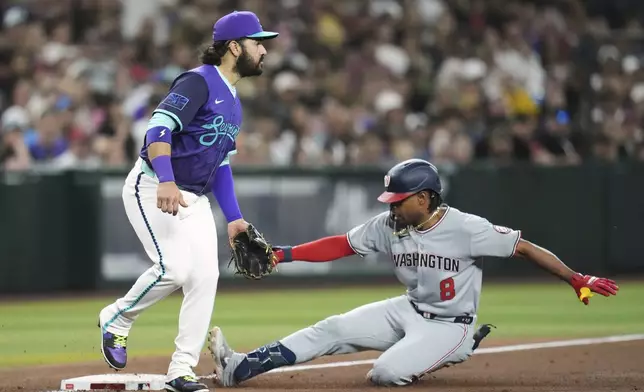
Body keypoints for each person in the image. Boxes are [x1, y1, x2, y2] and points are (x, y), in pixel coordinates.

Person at [208, 158, 619, 387]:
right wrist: (283, 254)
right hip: (408, 308)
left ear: (423, 199)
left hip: (449, 324)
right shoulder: (390, 225)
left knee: (385, 373)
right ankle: (240, 366)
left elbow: (524, 248)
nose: (391, 206)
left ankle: (458, 348)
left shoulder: (466, 228)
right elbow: (342, 244)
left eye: (399, 200)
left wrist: (576, 278)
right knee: (330, 329)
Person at [97, 11, 278, 392]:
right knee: (174, 269)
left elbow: (221, 164)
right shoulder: (199, 81)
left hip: (192, 198)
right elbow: (158, 128)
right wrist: (165, 179)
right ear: (233, 47)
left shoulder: (234, 103)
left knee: (205, 277)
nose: (264, 49)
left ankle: (181, 369)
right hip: (152, 186)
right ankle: (117, 317)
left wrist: (234, 217)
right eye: (257, 42)